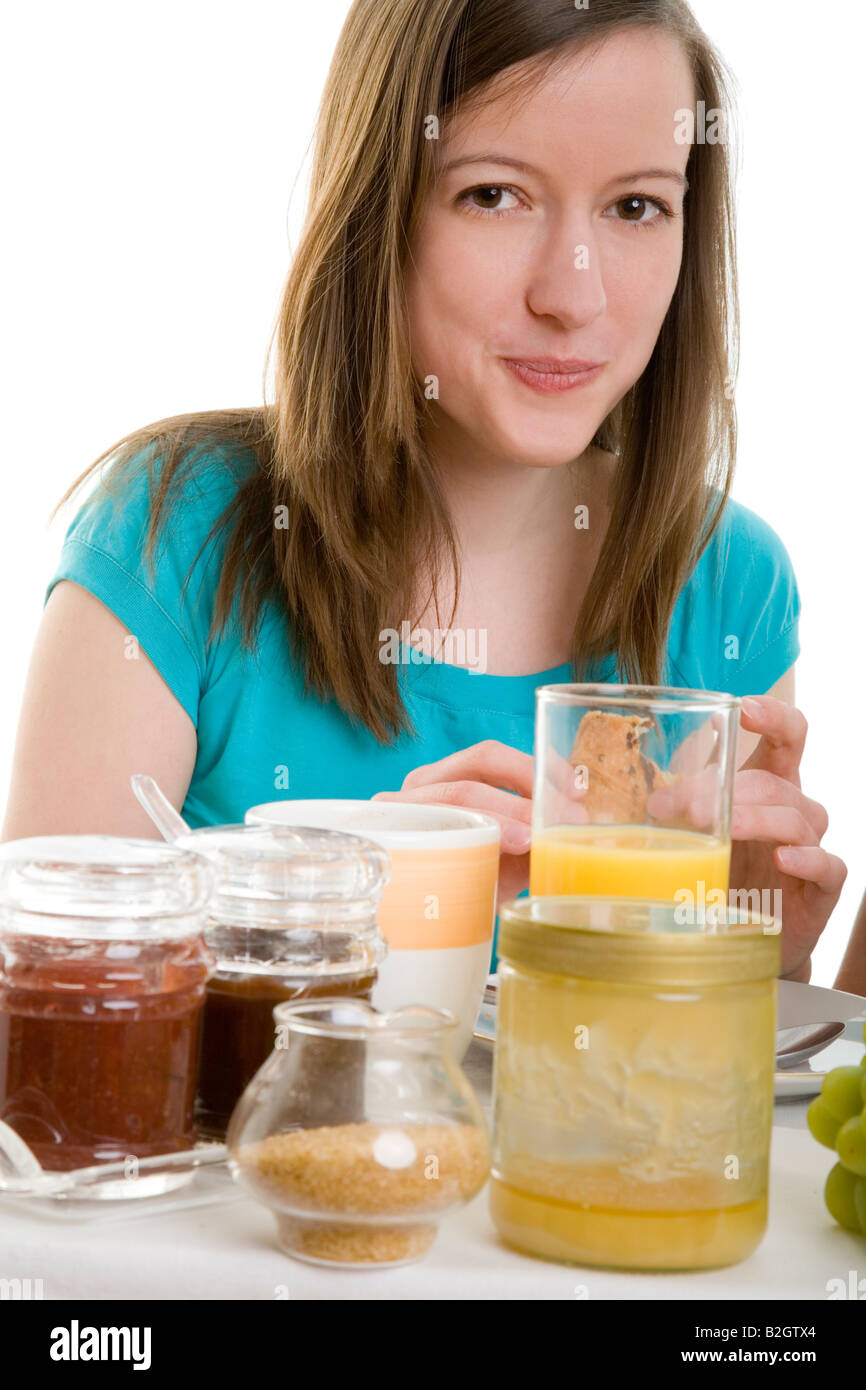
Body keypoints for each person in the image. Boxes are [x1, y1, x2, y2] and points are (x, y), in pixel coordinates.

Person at [2, 0, 848, 983]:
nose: (571, 295)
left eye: (634, 207)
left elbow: (678, 1110)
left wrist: (759, 968)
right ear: (378, 210)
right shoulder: (171, 535)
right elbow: (42, 1065)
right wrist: (356, 908)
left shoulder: (727, 582)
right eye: (494, 196)